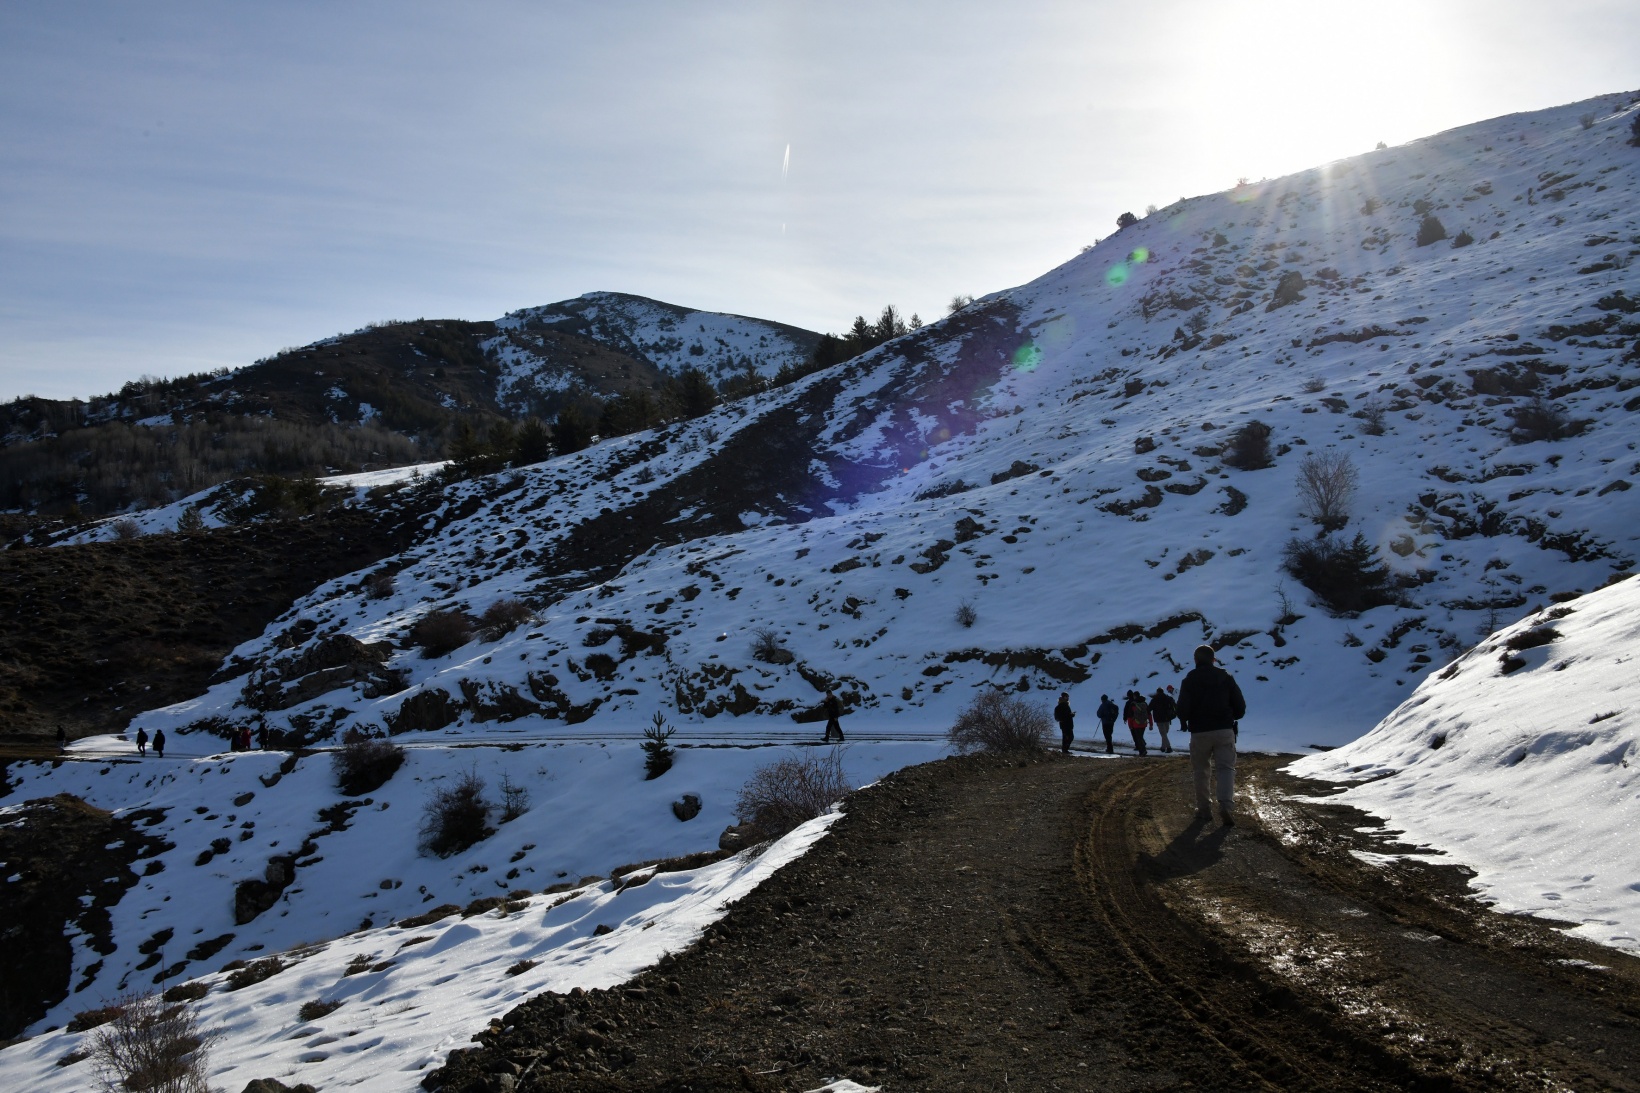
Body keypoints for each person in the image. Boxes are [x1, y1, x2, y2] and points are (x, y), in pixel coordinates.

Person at [1176, 644, 1246, 826]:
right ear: (1214, 660)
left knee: (1201, 770)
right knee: (1225, 768)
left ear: (1195, 660)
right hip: (1224, 729)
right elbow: (1240, 707)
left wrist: (1188, 718)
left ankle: (1204, 809)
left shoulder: (1189, 680)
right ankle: (1225, 804)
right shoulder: (1226, 677)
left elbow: (1182, 710)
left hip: (1200, 732)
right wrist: (1230, 715)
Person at [1151, 685, 1178, 754]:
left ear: (1157, 692)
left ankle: (1169, 748)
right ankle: (1163, 747)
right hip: (1167, 718)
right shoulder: (1168, 698)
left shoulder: (1154, 699)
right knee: (1165, 733)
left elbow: (1149, 708)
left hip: (1159, 719)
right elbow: (1174, 705)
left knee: (1163, 734)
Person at [1123, 690, 1150, 756]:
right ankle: (1142, 746)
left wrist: (1125, 718)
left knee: (1137, 736)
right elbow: (1148, 713)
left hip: (1135, 722)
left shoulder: (1131, 703)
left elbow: (1128, 713)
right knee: (1140, 735)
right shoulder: (1143, 702)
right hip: (1143, 722)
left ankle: (1141, 749)